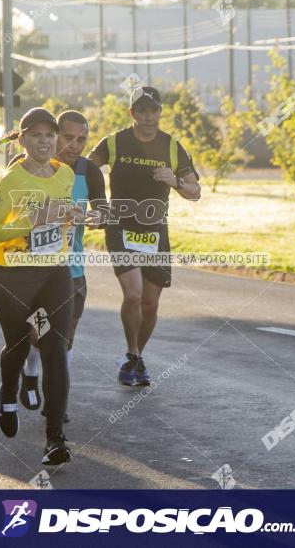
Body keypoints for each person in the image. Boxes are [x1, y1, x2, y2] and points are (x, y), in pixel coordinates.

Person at [0, 107, 84, 466]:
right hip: (13, 276)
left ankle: (55, 439)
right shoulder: (11, 181)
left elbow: (62, 215)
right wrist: (31, 221)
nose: (45, 141)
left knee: (56, 348)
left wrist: (76, 217)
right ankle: (8, 392)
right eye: (36, 135)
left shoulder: (65, 174)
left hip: (55, 272)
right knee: (18, 346)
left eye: (50, 135)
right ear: (22, 140)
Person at [88, 87, 201, 387]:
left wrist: (175, 181)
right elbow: (84, 169)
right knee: (134, 294)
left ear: (160, 112)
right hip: (120, 228)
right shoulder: (114, 142)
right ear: (132, 113)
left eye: (153, 110)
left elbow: (195, 191)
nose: (148, 117)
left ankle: (137, 358)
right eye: (142, 110)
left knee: (150, 303)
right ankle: (131, 353)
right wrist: (95, 206)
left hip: (155, 232)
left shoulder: (173, 146)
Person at [21, 111, 107, 419]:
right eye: (68, 137)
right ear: (55, 135)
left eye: (81, 139)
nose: (74, 145)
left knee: (66, 333)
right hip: (33, 266)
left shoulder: (89, 171)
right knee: (37, 331)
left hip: (72, 267)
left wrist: (99, 217)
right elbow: (11, 215)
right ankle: (30, 372)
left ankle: (56, 400)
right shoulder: (26, 167)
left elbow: (104, 208)